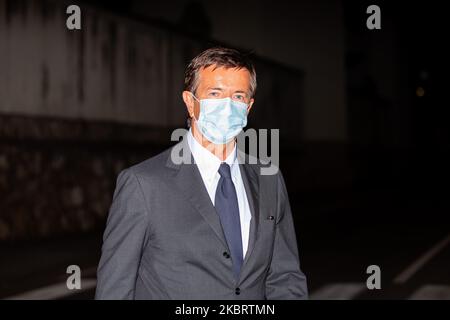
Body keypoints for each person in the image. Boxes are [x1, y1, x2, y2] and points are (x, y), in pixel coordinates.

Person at [95, 47, 308, 299]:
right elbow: (115, 289)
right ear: (190, 102)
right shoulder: (143, 184)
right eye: (215, 94)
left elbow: (285, 276)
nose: (227, 106)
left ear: (249, 107)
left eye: (238, 96)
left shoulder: (269, 179)